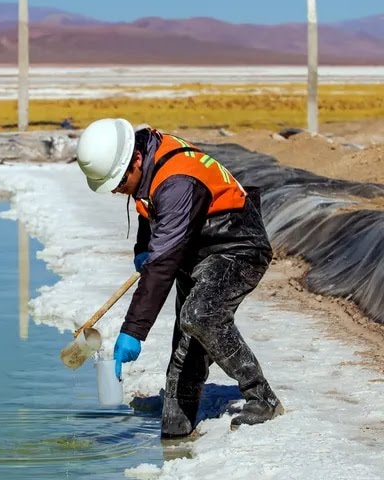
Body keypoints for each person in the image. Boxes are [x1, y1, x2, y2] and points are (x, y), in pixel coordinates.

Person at [75, 117, 284, 438]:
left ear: (136, 160)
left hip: (237, 246)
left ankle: (262, 396)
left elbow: (163, 263)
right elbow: (150, 203)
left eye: (118, 182)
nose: (117, 190)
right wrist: (143, 247)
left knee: (201, 316)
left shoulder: (178, 182)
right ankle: (178, 423)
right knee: (185, 350)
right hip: (197, 248)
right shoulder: (147, 157)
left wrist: (133, 331)